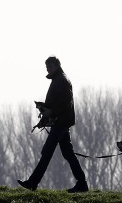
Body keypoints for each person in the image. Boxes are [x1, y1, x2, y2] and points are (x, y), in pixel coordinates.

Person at [18, 56, 88, 193]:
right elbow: (57, 104)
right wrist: (44, 116)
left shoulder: (61, 80)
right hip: (60, 122)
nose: (48, 69)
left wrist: (50, 111)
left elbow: (65, 102)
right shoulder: (59, 79)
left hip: (60, 123)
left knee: (47, 152)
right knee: (68, 153)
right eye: (47, 67)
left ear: (56, 66)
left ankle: (33, 183)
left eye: (50, 66)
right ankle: (82, 184)